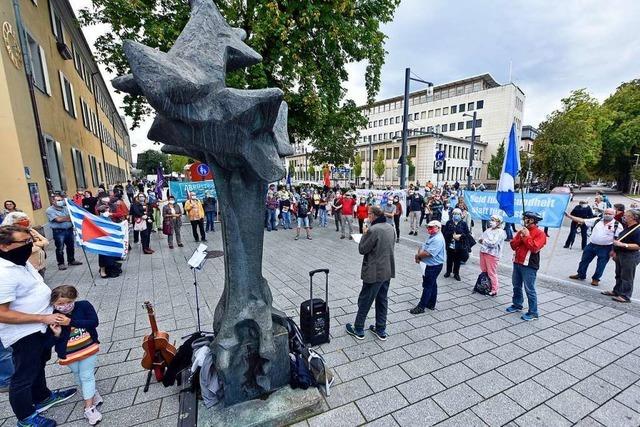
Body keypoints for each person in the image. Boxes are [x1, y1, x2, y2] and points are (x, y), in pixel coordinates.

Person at [0, 225, 77, 426]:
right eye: (24, 242)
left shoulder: (19, 262)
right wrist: (42, 318)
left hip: (41, 327)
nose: (29, 246)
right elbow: (2, 313)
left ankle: (42, 397)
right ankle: (26, 418)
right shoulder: (3, 273)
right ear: (4, 246)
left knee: (38, 364)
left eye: (30, 241)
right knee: (23, 376)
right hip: (25, 332)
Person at [48, 285, 103, 425]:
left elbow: (93, 322)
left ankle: (89, 408)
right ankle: (91, 393)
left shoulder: (83, 306)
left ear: (74, 299)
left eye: (69, 302)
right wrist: (57, 334)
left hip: (88, 348)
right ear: (53, 304)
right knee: (78, 374)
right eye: (60, 303)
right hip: (68, 354)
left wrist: (70, 322)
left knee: (86, 375)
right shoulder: (53, 315)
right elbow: (51, 340)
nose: (65, 306)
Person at [345, 205, 395, 340]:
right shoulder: (390, 227)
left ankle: (358, 328)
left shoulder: (373, 230)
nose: (368, 216)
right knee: (382, 300)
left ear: (373, 215)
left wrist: (365, 233)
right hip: (387, 270)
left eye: (369, 214)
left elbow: (362, 249)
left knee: (365, 299)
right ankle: (381, 329)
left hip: (374, 272)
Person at [506, 211, 547, 321]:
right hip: (517, 262)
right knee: (516, 285)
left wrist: (527, 236)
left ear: (532, 220)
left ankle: (533, 312)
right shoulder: (521, 231)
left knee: (529, 289)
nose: (523, 220)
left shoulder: (540, 234)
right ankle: (517, 304)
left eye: (525, 218)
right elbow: (513, 245)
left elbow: (534, 248)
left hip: (529, 265)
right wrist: (521, 236)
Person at [567, 208, 620, 286]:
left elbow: (618, 239)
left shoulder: (617, 225)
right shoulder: (597, 220)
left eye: (610, 214)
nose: (607, 215)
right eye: (606, 213)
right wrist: (569, 216)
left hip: (606, 247)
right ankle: (581, 274)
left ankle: (596, 279)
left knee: (601, 264)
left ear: (614, 215)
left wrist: (614, 250)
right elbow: (582, 220)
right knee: (584, 261)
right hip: (592, 245)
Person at [602, 209, 640, 303]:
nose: (624, 217)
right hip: (620, 254)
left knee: (627, 277)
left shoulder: (637, 230)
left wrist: (623, 245)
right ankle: (617, 291)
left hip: (630, 256)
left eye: (626, 216)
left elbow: (638, 245)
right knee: (619, 275)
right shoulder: (628, 227)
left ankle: (625, 296)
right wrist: (614, 251)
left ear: (633, 218)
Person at [410, 220, 446, 314]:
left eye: (432, 227)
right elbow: (423, 247)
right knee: (432, 284)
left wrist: (418, 256)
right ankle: (431, 303)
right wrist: (419, 255)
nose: (429, 229)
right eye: (428, 227)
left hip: (433, 266)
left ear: (438, 228)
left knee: (427, 286)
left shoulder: (437, 239)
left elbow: (428, 253)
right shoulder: (432, 236)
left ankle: (421, 307)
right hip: (429, 264)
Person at [1, 212, 49, 277]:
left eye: (25, 219)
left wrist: (34, 244)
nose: (24, 222)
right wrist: (37, 244)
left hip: (40, 264)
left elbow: (45, 242)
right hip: (28, 266)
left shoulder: (31, 230)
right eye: (21, 220)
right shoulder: (10, 235)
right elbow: (27, 248)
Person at [46, 195, 82, 271]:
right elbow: (58, 220)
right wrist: (68, 218)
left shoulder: (66, 208)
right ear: (53, 201)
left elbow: (73, 216)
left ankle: (71, 260)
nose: (60, 202)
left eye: (61, 200)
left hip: (69, 230)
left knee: (71, 246)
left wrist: (67, 218)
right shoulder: (50, 210)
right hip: (59, 231)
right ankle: (61, 263)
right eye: (58, 200)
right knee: (60, 248)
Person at [478, 214, 507, 296]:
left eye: (494, 220)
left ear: (499, 222)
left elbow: (493, 243)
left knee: (491, 272)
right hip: (483, 252)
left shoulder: (501, 232)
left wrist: (484, 241)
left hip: (492, 255)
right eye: (491, 220)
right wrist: (483, 240)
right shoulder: (488, 230)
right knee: (484, 270)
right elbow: (480, 238)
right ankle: (485, 285)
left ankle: (494, 289)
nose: (491, 222)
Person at [442, 208, 471, 281]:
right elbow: (445, 233)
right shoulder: (449, 223)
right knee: (449, 259)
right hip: (450, 245)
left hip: (459, 246)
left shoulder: (463, 224)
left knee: (457, 260)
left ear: (461, 215)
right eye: (455, 214)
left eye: (458, 214)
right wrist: (452, 236)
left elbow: (467, 234)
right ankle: (448, 272)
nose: (456, 215)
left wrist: (460, 236)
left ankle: (456, 273)